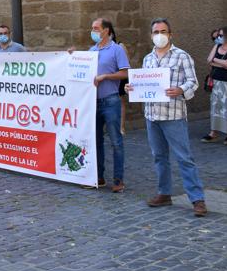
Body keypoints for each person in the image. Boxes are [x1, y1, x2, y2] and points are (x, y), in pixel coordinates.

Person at [126, 18, 207, 217]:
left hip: (173, 114)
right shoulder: (148, 59)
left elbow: (193, 82)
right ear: (151, 35)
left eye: (163, 31)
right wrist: (131, 87)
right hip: (152, 115)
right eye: (156, 32)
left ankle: (197, 198)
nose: (159, 35)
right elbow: (145, 83)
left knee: (184, 158)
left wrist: (180, 89)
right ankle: (164, 193)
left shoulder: (182, 56)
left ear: (170, 34)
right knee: (159, 156)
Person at [88, 18, 130, 192]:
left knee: (115, 142)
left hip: (110, 101)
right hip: (92, 103)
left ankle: (118, 180)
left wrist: (105, 76)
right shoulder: (91, 50)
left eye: (96, 28)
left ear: (106, 30)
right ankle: (99, 177)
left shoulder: (116, 49)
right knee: (96, 141)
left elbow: (125, 73)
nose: (93, 31)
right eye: (92, 28)